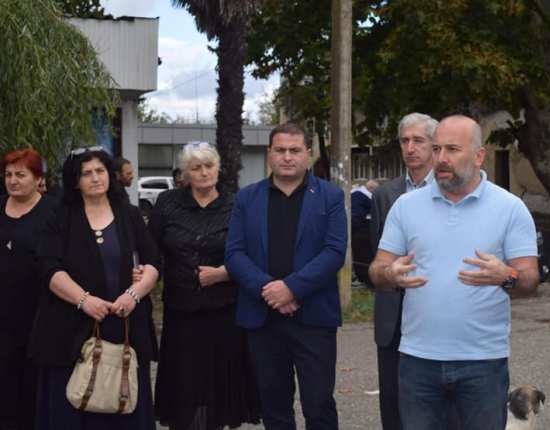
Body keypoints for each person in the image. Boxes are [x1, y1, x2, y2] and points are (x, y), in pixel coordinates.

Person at [369, 115, 539, 430]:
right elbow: (377, 270)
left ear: (479, 155)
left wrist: (505, 275)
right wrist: (389, 274)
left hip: (483, 362)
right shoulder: (406, 206)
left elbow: (529, 280)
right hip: (418, 361)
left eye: (452, 149)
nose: (441, 158)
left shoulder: (510, 208)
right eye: (436, 149)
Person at [225, 122, 347, 430]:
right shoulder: (247, 198)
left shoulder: (330, 196)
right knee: (274, 406)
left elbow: (334, 252)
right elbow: (234, 254)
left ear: (308, 153)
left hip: (314, 318)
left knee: (319, 404)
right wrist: (270, 290)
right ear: (270, 154)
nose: (287, 157)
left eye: (295, 150)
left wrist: (291, 289)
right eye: (280, 150)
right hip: (263, 318)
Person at [29, 146, 160, 430]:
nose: (95, 178)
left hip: (124, 326)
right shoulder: (60, 216)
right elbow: (48, 267)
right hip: (70, 331)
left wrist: (134, 295)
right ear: (75, 181)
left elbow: (153, 262)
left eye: (100, 171)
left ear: (110, 175)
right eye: (86, 173)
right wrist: (84, 300)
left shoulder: (129, 215)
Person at [150, 142, 261, 429]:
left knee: (218, 384)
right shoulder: (167, 203)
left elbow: (255, 253)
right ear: (185, 173)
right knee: (184, 383)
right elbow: (152, 251)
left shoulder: (236, 204)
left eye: (208, 166)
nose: (203, 172)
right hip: (181, 310)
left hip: (223, 310)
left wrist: (225, 273)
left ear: (218, 168)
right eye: (196, 167)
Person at [369, 112, 437, 430]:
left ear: (434, 145)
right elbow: (377, 257)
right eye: (404, 141)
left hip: (437, 311)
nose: (410, 148)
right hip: (393, 316)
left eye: (418, 140)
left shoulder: (451, 190)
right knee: (393, 402)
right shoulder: (385, 195)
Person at [0, 149, 58, 430]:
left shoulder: (55, 212)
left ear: (38, 179)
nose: (13, 180)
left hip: (41, 315)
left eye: (20, 175)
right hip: (3, 316)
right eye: (8, 175)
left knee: (35, 392)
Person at [351, 179, 379, 286]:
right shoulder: (363, 197)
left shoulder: (355, 194)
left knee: (359, 255)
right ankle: (363, 279)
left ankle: (361, 277)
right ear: (371, 189)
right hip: (361, 231)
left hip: (355, 230)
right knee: (363, 256)